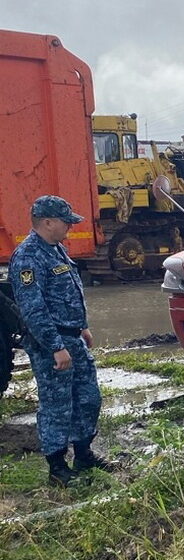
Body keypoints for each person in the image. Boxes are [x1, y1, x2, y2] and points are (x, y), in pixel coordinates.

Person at [9, 195, 111, 486]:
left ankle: (83, 454)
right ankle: (57, 468)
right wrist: (56, 346)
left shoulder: (56, 250)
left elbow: (69, 293)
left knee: (88, 398)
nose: (69, 226)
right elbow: (33, 308)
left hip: (73, 338)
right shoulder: (28, 256)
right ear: (47, 222)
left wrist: (82, 327)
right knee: (57, 405)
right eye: (65, 221)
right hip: (52, 345)